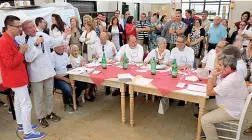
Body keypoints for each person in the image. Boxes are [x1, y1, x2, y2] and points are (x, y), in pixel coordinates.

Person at [0, 15, 45, 140]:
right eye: (18, 26)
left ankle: (21, 124)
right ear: (9, 27)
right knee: (26, 104)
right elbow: (10, 63)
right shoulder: (4, 41)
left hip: (17, 77)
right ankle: (28, 132)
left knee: (19, 102)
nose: (20, 28)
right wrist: (21, 52)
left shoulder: (10, 38)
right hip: (15, 78)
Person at [16, 20, 61, 128]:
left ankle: (50, 113)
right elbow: (28, 58)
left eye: (33, 26)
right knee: (38, 96)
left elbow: (53, 42)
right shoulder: (23, 40)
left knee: (50, 94)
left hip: (48, 71)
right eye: (30, 28)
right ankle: (40, 117)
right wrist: (36, 44)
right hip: (36, 74)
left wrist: (64, 35)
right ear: (25, 31)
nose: (33, 29)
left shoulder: (42, 34)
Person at [201, 54, 248, 139]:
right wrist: (214, 75)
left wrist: (211, 75)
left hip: (232, 110)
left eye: (219, 65)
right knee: (203, 105)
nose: (216, 66)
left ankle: (211, 134)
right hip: (226, 102)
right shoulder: (230, 73)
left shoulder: (230, 81)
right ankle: (208, 131)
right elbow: (214, 84)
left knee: (205, 120)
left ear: (228, 68)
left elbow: (209, 92)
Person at [52, 39, 88, 112]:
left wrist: (73, 75)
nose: (64, 47)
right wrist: (66, 79)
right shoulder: (52, 56)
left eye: (63, 46)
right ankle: (67, 103)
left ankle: (72, 100)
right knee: (68, 89)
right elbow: (53, 74)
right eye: (62, 46)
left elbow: (69, 67)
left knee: (83, 84)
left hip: (68, 74)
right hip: (58, 78)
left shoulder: (65, 54)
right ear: (56, 47)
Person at [168, 35, 194, 107]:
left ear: (185, 42)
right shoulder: (174, 50)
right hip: (176, 69)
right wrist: (174, 66)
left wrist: (180, 68)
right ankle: (171, 95)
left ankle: (182, 98)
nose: (177, 43)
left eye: (180, 42)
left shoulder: (190, 51)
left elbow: (190, 64)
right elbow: (170, 62)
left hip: (185, 71)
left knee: (183, 81)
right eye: (177, 41)